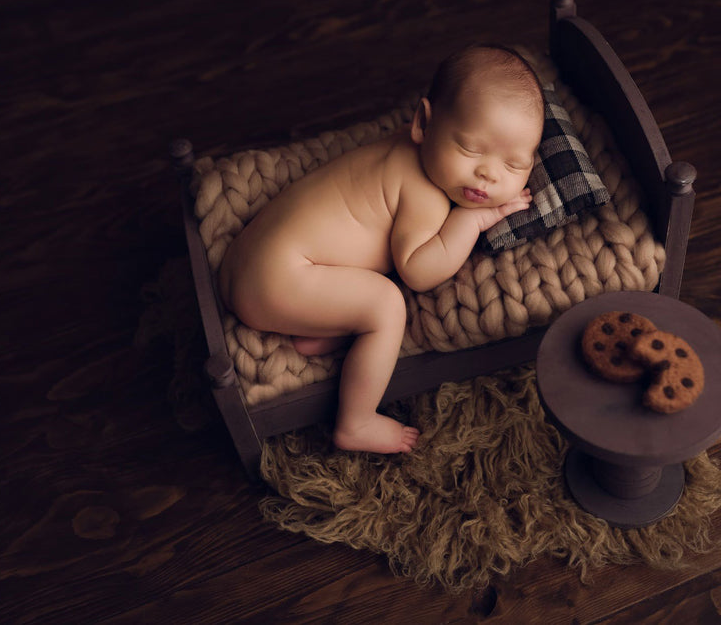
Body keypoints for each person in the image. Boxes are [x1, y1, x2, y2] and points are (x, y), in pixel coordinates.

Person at [218, 45, 544, 454]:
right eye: (470, 149)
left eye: (513, 165)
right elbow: (418, 272)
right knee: (387, 305)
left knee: (358, 280)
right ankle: (355, 422)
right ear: (423, 123)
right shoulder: (424, 194)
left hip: (247, 260)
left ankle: (320, 325)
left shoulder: (402, 148)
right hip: (275, 280)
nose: (488, 174)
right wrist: (473, 221)